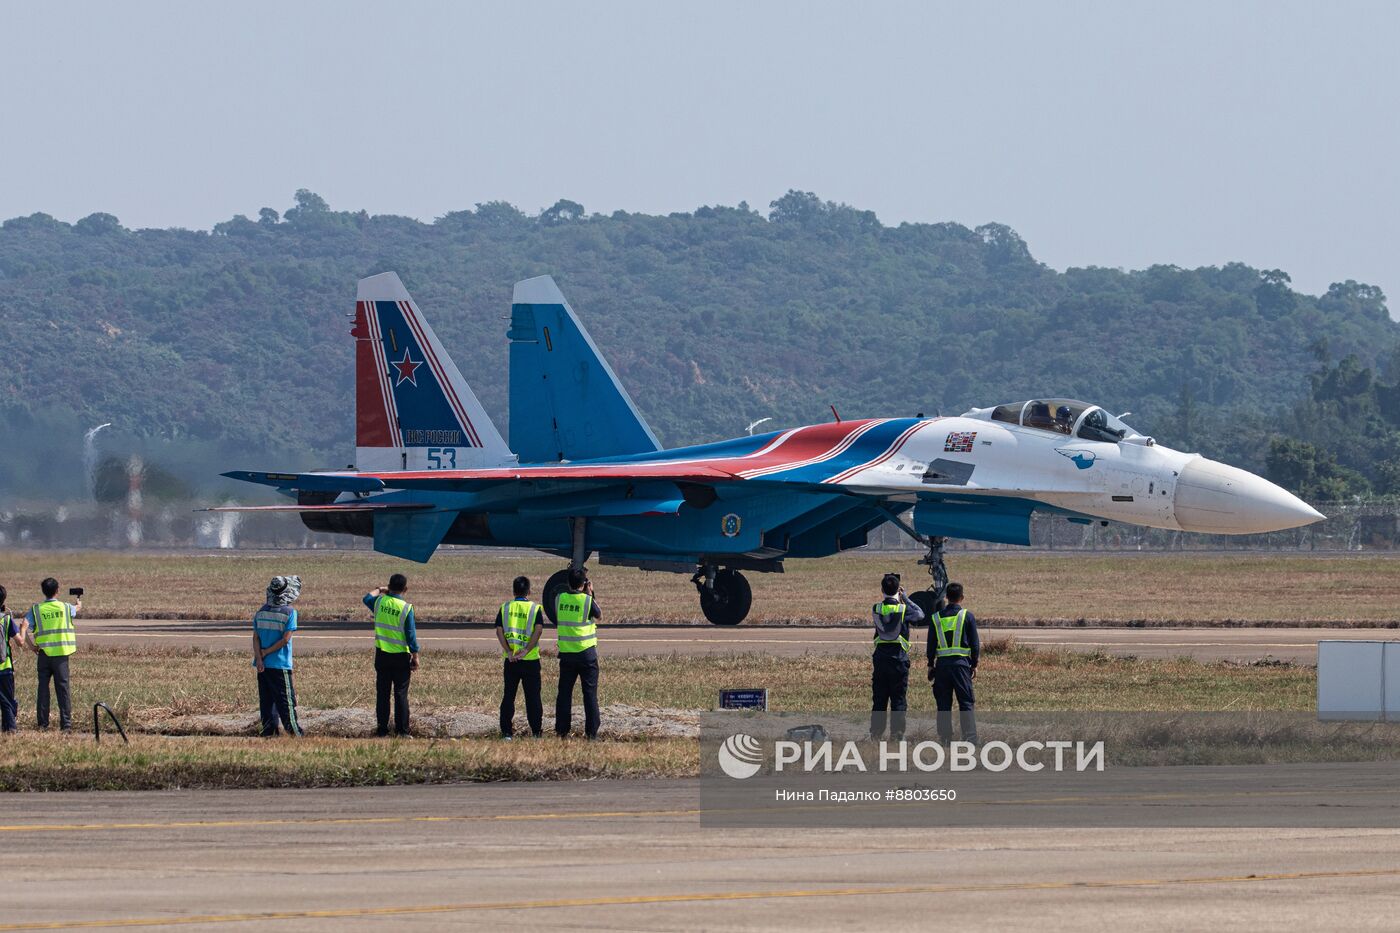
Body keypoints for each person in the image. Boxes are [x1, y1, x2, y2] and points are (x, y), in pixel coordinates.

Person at [870, 573, 924, 741]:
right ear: (898, 590)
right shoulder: (903, 609)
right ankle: (897, 735)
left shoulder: (876, 608)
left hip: (880, 659)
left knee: (879, 699)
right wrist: (905, 598)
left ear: (882, 589)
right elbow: (920, 614)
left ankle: (876, 734)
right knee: (898, 699)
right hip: (898, 660)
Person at [364, 573, 420, 737]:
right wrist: (415, 656)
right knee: (400, 694)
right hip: (401, 656)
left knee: (382, 694)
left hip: (382, 655)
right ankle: (402, 731)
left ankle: (382, 730)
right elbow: (410, 635)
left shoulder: (379, 602)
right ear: (405, 589)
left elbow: (366, 598)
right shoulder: (406, 608)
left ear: (389, 587)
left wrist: (380, 589)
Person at [926, 581, 979, 745]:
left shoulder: (936, 618)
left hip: (942, 666)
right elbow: (975, 644)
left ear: (946, 597)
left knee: (943, 704)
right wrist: (974, 664)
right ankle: (970, 738)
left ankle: (945, 739)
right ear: (962, 597)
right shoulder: (967, 616)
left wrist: (930, 664)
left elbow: (931, 644)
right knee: (966, 702)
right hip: (961, 666)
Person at [554, 567, 602, 739]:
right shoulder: (587, 601)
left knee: (564, 694)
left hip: (567, 654)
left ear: (568, 583)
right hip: (586, 654)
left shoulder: (559, 598)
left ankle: (562, 731)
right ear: (583, 584)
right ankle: (591, 733)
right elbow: (599, 615)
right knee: (589, 695)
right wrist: (591, 594)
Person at [252, 575, 303, 737]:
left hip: (263, 665)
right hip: (280, 664)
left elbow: (255, 637)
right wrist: (267, 652)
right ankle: (294, 732)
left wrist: (259, 658)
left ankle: (269, 732)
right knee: (286, 701)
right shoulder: (290, 613)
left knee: (266, 701)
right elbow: (285, 639)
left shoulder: (261, 612)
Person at [26, 577, 79, 731]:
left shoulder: (36, 609)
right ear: (57, 590)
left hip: (43, 655)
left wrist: (31, 646)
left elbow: (24, 625)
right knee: (63, 689)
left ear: (43, 591)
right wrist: (78, 603)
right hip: (61, 655)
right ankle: (66, 725)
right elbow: (76, 609)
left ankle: (42, 724)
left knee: (43, 689)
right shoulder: (66, 607)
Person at [495, 575, 544, 739]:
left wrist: (509, 651)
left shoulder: (505, 607)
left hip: (511, 660)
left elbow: (499, 631)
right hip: (530, 660)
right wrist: (527, 650)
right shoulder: (535, 608)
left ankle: (506, 733)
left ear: (513, 591)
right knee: (533, 698)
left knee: (509, 696)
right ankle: (536, 732)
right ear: (529, 591)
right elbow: (538, 630)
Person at [0, 585, 21, 733]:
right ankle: (10, 729)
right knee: (7, 701)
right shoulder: (6, 620)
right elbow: (20, 641)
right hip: (4, 668)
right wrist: (22, 628)